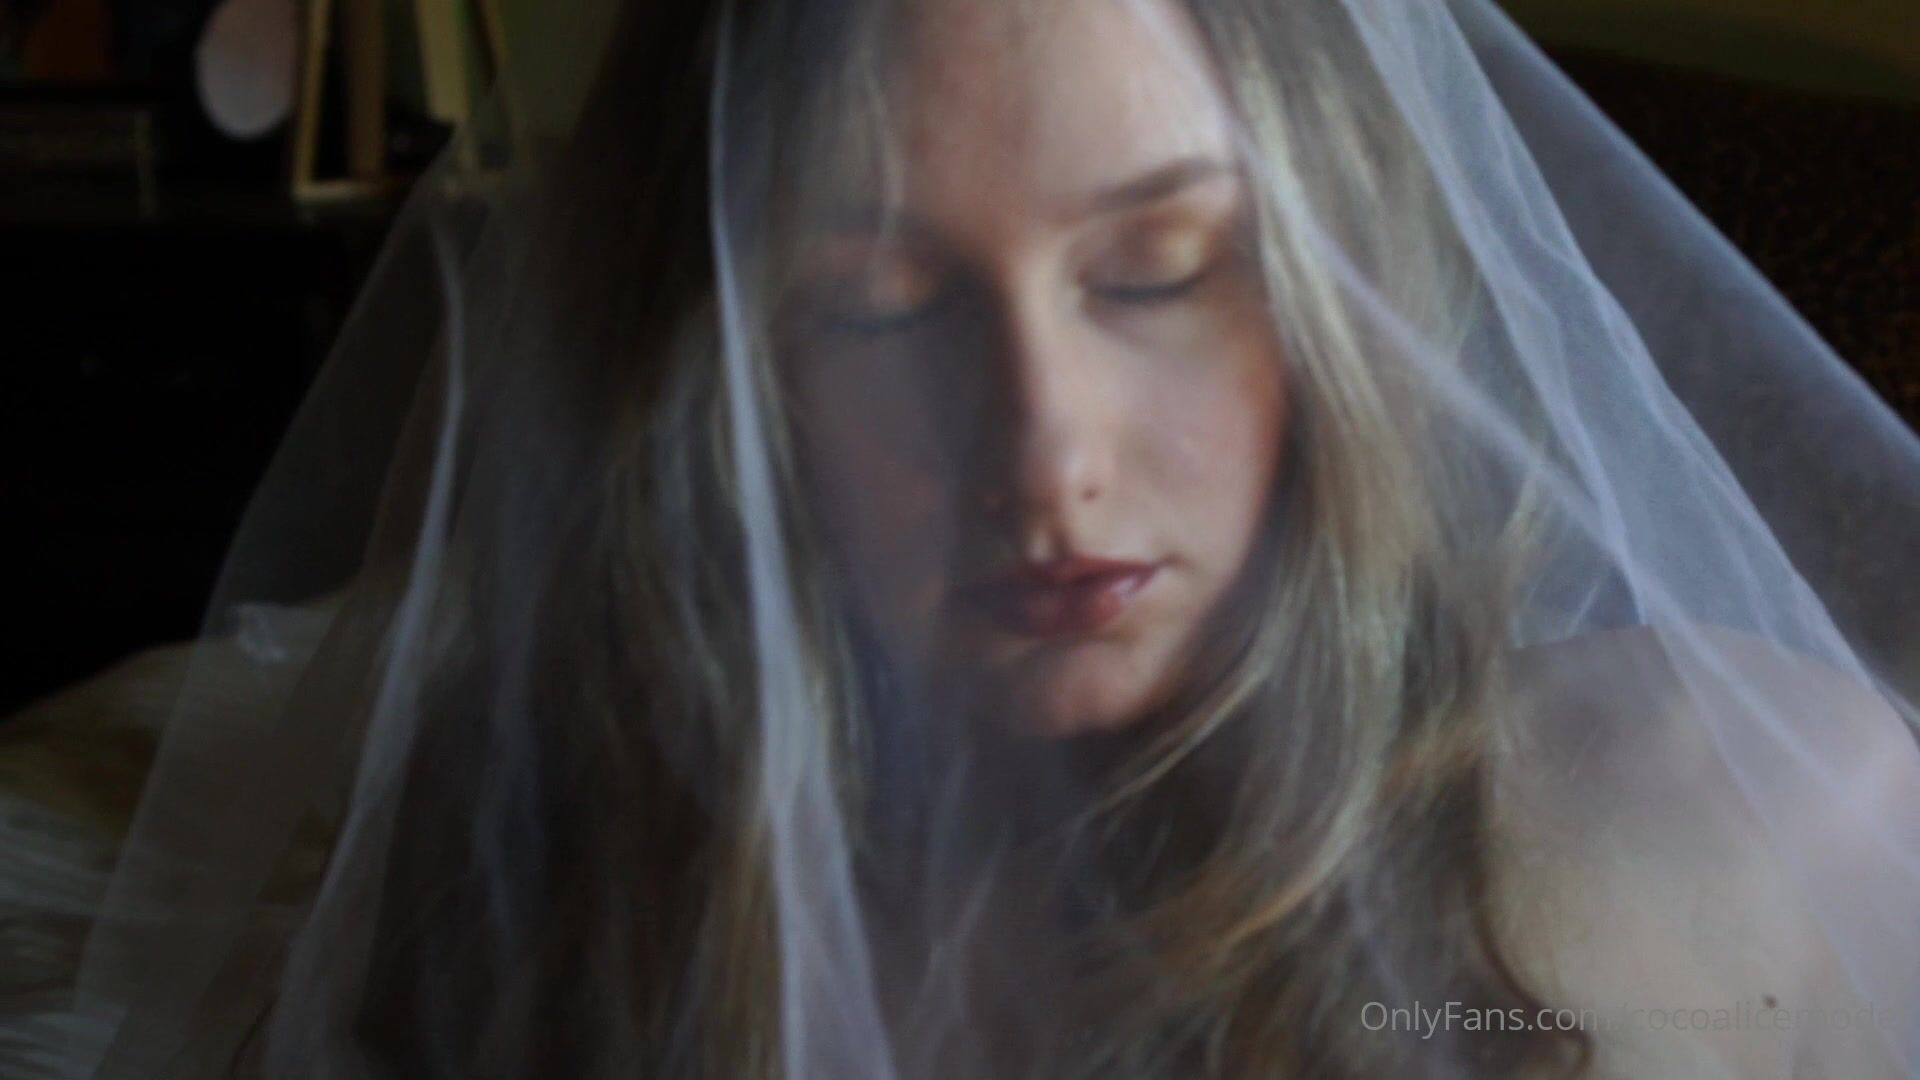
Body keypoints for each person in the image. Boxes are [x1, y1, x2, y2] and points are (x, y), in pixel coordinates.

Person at [6, 0, 1918, 1077]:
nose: (1045, 451)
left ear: (1350, 297)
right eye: (875, 306)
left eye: (1161, 272)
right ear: (723, 378)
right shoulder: (555, 851)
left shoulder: (1729, 817)